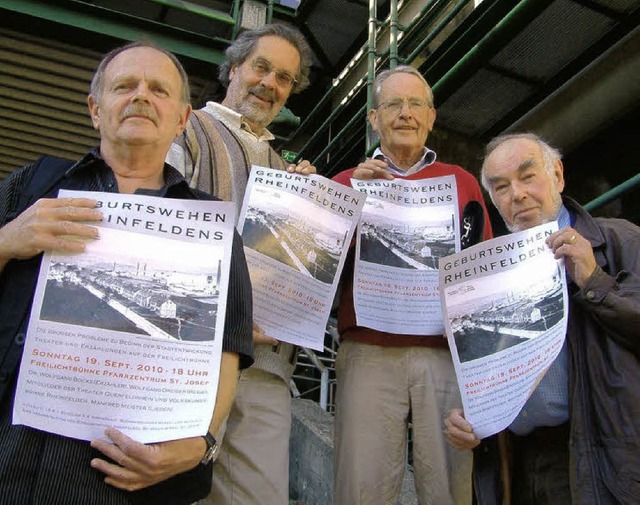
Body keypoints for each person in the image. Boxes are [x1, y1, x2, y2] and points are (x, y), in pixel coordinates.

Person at [0, 42, 253, 505]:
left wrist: (201, 445)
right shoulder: (30, 187)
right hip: (9, 454)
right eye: (124, 86)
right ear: (96, 110)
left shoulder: (213, 226)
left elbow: (228, 349)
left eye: (158, 89)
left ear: (181, 120)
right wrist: (8, 240)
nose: (141, 96)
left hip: (131, 479)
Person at [444, 132, 640, 504]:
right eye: (501, 188)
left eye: (527, 176)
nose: (516, 194)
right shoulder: (485, 273)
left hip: (597, 457)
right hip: (517, 464)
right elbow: (488, 373)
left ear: (559, 176)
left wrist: (594, 280)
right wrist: (473, 421)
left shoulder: (621, 242)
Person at [331, 65, 493, 505]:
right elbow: (319, 268)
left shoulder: (462, 182)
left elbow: (483, 269)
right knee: (361, 485)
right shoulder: (346, 183)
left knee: (448, 486)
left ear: (432, 116)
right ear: (374, 118)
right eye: (392, 105)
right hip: (368, 351)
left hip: (443, 355)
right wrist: (341, 204)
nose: (405, 113)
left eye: (415, 104)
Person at [166, 24, 313, 505]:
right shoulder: (187, 128)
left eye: (285, 78)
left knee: (260, 496)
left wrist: (309, 204)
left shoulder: (281, 163)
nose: (271, 84)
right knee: (176, 488)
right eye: (262, 67)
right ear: (233, 68)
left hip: (266, 366)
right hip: (191, 352)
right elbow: (160, 230)